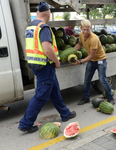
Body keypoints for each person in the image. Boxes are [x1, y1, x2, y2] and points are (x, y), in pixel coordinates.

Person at [18, 1, 76, 133]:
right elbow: (47, 49)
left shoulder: (30, 27)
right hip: (45, 65)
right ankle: (26, 123)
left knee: (54, 89)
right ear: (48, 13)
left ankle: (65, 113)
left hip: (35, 64)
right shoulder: (43, 27)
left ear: (38, 13)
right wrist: (57, 61)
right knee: (41, 95)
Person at [72, 19, 115, 105]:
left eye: (87, 29)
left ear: (90, 28)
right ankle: (86, 98)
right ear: (80, 28)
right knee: (87, 80)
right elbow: (79, 45)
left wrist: (80, 62)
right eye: (84, 29)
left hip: (100, 60)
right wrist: (71, 51)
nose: (85, 31)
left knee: (102, 80)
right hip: (92, 61)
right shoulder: (81, 35)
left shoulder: (94, 39)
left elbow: (92, 55)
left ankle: (110, 98)